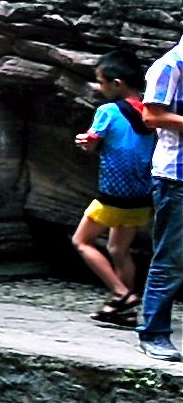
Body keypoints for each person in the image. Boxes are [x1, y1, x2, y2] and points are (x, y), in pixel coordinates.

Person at [76, 54, 157, 326]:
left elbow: (91, 144)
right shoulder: (152, 110)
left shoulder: (108, 111)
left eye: (101, 82)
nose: (99, 88)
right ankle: (124, 312)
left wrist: (84, 142)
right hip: (141, 196)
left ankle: (123, 295)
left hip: (113, 195)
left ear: (117, 83)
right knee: (118, 250)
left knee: (82, 241)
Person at [139, 29, 183, 363]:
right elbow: (151, 115)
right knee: (170, 259)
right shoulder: (170, 66)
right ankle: (154, 333)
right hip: (175, 178)